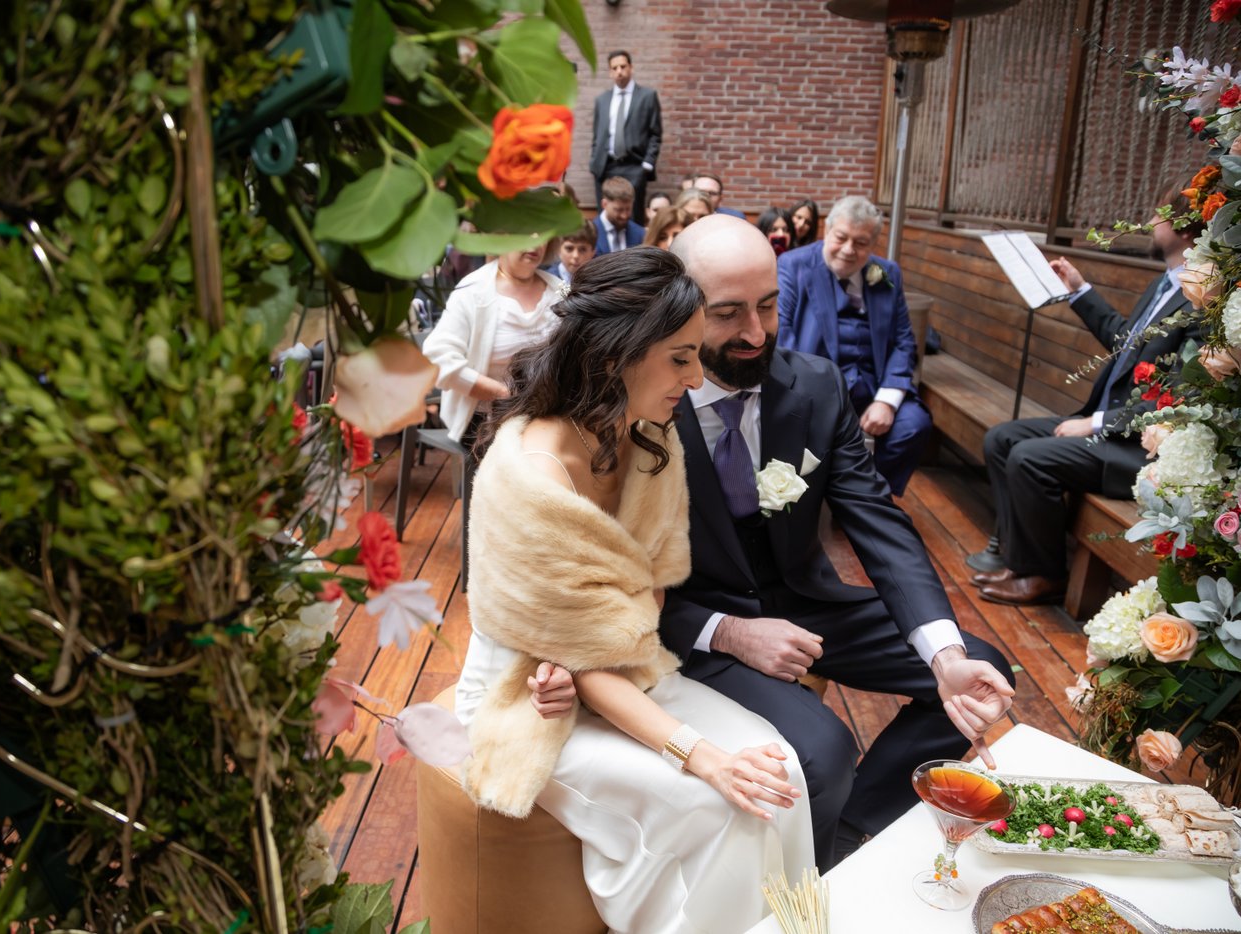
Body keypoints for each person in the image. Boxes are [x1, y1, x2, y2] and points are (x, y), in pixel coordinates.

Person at [458, 247, 816, 933]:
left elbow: (645, 596)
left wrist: (607, 638)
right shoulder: (532, 474)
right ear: (614, 355)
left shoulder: (648, 436)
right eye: (678, 358)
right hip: (529, 697)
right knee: (717, 801)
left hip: (624, 668)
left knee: (780, 773)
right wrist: (701, 755)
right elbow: (580, 662)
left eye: (694, 354)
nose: (696, 373)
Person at [659, 215, 1013, 870]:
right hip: (690, 619)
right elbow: (619, 582)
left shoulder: (815, 386)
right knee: (822, 748)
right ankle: (805, 882)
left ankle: (844, 839)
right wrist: (729, 633)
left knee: (981, 671)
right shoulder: (646, 405)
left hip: (802, 599)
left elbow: (877, 519)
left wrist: (943, 655)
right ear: (679, 307)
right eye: (728, 314)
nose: (755, 334)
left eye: (768, 306)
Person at [968, 193, 1204, 605]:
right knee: (1001, 439)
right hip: (1107, 427)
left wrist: (1096, 423)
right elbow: (1126, 344)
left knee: (1029, 457)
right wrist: (1079, 291)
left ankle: (1044, 574)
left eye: (1156, 214)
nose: (1150, 221)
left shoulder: (1201, 301)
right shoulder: (1165, 282)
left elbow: (1182, 400)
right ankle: (1019, 556)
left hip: (1137, 448)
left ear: (1181, 228)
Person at [776, 196, 934, 496]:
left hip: (872, 387)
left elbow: (903, 341)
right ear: (828, 230)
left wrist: (886, 401)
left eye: (861, 243)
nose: (849, 250)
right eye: (841, 238)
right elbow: (783, 335)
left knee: (913, 425)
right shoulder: (793, 265)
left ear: (873, 245)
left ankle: (869, 496)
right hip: (816, 389)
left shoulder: (887, 273)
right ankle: (832, 495)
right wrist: (809, 396)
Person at [422, 243, 565, 445]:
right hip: (485, 422)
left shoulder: (558, 289)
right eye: (526, 230)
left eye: (543, 234)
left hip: (549, 415)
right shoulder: (473, 291)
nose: (536, 242)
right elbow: (437, 359)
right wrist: (505, 394)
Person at [589, 51, 662, 211]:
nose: (619, 71)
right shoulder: (602, 100)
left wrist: (647, 165)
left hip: (634, 166)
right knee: (606, 217)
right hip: (605, 166)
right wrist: (594, 162)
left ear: (631, 68)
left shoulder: (647, 96)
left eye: (623, 66)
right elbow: (597, 135)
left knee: (632, 215)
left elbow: (655, 134)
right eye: (614, 68)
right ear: (610, 72)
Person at [594, 176, 646, 254]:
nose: (624, 215)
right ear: (604, 204)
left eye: (628, 209)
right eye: (619, 210)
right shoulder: (590, 234)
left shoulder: (640, 234)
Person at [545, 220, 597, 286]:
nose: (576, 256)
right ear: (558, 249)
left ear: (593, 252)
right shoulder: (545, 281)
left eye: (582, 250)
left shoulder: (598, 282)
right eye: (569, 249)